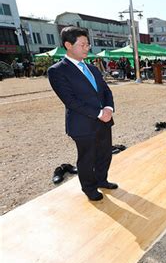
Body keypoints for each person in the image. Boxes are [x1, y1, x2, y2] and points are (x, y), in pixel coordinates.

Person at [47, 26, 117, 201]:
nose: (87, 48)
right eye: (83, 44)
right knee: (87, 158)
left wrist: (109, 108)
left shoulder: (92, 68)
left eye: (88, 44)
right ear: (68, 45)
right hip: (82, 124)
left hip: (104, 119)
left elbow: (106, 91)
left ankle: (102, 180)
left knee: (105, 153)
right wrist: (99, 112)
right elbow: (70, 101)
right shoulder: (57, 71)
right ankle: (89, 188)